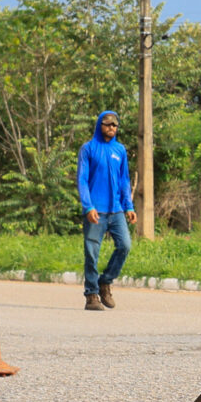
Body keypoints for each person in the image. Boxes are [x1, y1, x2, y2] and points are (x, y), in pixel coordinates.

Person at [76, 110, 132, 312]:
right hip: (95, 211)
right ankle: (91, 295)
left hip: (116, 210)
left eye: (115, 125)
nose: (111, 128)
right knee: (92, 253)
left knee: (125, 245)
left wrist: (129, 206)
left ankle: (105, 282)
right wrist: (88, 206)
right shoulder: (88, 149)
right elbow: (82, 179)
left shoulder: (120, 150)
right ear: (100, 125)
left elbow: (124, 179)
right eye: (107, 124)